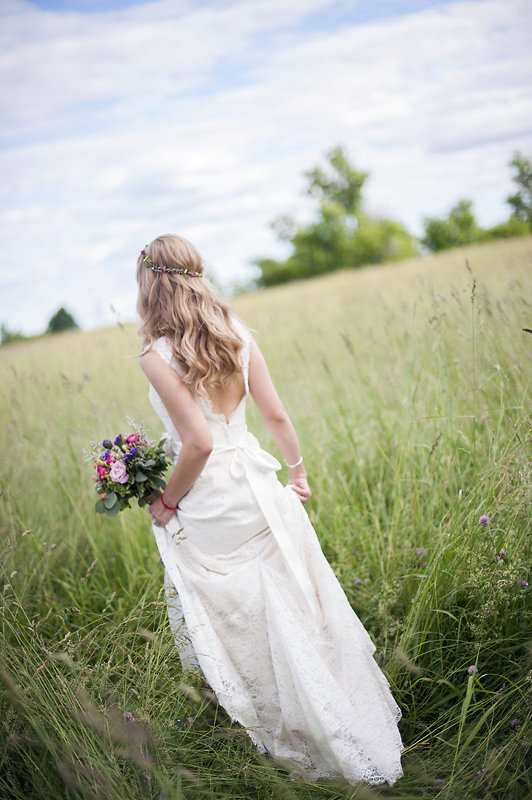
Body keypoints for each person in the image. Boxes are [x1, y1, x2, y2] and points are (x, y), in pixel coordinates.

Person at [136, 233, 403, 786]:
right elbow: (276, 416)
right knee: (293, 607)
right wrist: (296, 472)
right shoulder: (237, 333)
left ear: (149, 285)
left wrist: (166, 501)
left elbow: (198, 443)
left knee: (242, 616)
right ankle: (334, 714)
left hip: (212, 502)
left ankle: (283, 723)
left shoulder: (157, 356)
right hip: (259, 487)